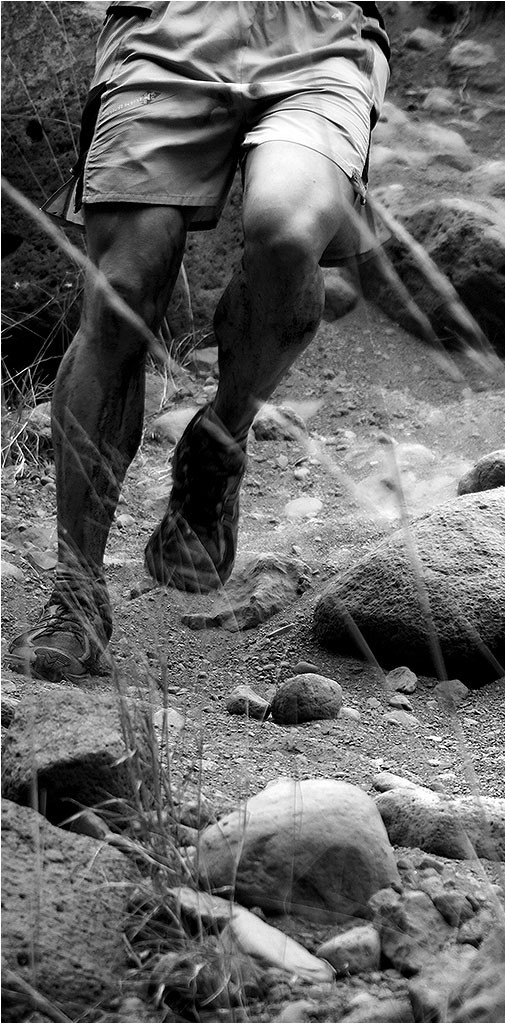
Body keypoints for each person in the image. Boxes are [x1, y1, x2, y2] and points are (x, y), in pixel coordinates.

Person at [8, 0, 390, 682]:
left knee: (285, 234)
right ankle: (76, 588)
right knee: (123, 288)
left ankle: (219, 440)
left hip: (322, 34)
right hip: (166, 28)